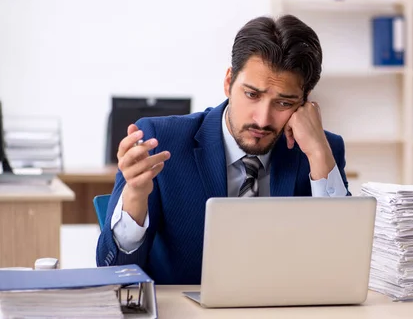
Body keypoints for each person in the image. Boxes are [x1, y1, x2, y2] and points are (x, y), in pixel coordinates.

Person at [96, 14, 351, 284]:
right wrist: (135, 196)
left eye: (284, 103)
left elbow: (344, 266)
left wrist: (319, 154)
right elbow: (115, 272)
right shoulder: (160, 140)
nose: (262, 119)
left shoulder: (320, 150)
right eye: (252, 95)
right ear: (229, 82)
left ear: (304, 103)